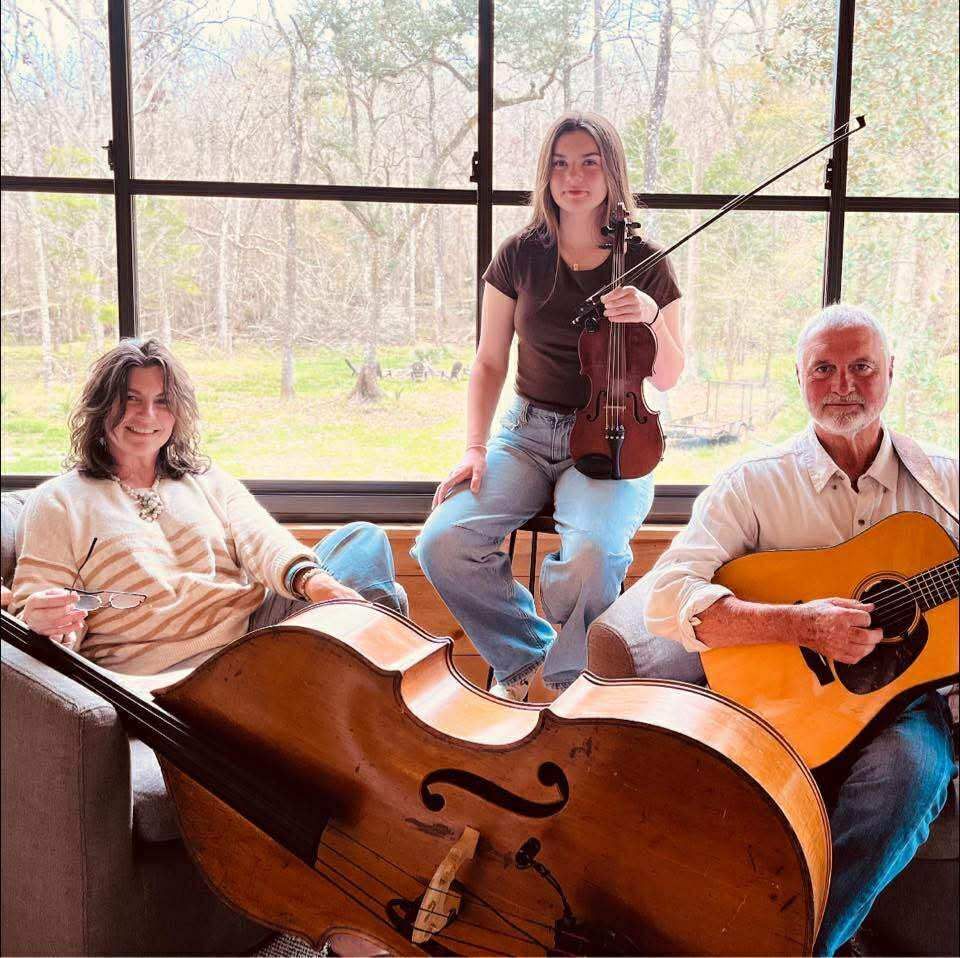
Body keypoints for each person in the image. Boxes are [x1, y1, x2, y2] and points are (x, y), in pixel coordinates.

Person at [626, 304, 958, 956]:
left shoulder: (945, 483)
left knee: (910, 777)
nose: (843, 385)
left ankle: (794, 948)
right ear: (799, 379)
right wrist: (798, 624)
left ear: (891, 372)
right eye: (824, 369)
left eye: (862, 367)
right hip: (782, 702)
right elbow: (665, 597)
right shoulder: (753, 486)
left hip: (906, 703)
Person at [414, 112, 684, 699]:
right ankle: (528, 655)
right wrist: (474, 447)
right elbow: (489, 362)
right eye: (560, 163)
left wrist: (652, 315)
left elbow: (669, 374)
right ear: (546, 174)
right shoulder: (521, 255)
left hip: (617, 436)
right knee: (442, 543)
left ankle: (569, 685)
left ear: (612, 170)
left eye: (590, 161)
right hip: (527, 434)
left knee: (591, 553)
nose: (574, 176)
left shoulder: (648, 261)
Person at [10, 339, 406, 693]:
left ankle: (363, 707)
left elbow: (262, 540)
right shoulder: (58, 501)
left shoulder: (205, 479)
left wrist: (316, 583)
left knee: (363, 540)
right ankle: (375, 716)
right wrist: (50, 621)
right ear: (102, 407)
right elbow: (36, 615)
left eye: (162, 401)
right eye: (131, 399)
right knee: (380, 614)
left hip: (256, 636)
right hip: (168, 678)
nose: (147, 414)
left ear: (177, 412)